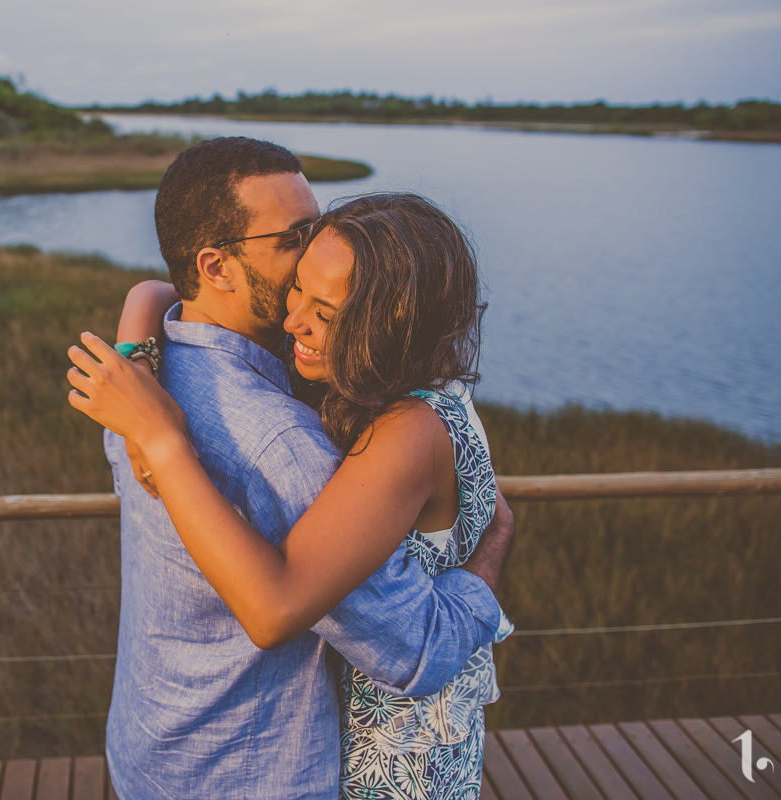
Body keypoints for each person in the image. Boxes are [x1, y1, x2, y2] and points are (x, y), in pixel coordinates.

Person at [69, 137, 514, 800]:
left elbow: (158, 287)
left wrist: (134, 335)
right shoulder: (284, 446)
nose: (315, 249)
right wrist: (495, 549)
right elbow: (417, 649)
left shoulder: (148, 373)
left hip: (152, 747)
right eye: (294, 237)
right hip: (250, 773)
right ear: (216, 266)